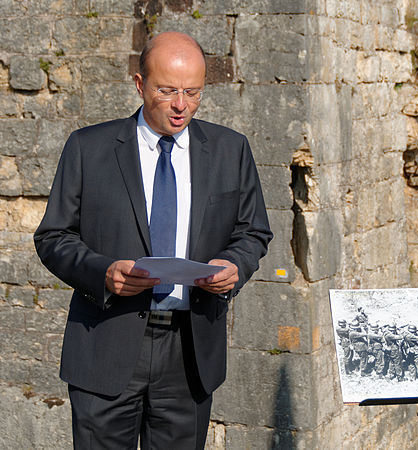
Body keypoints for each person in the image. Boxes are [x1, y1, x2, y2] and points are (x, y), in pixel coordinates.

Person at [34, 32, 273, 449]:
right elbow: (53, 236)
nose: (182, 105)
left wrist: (236, 265)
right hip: (105, 348)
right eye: (167, 91)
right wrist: (103, 273)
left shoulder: (230, 149)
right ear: (140, 84)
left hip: (190, 355)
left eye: (193, 92)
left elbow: (253, 231)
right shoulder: (88, 148)